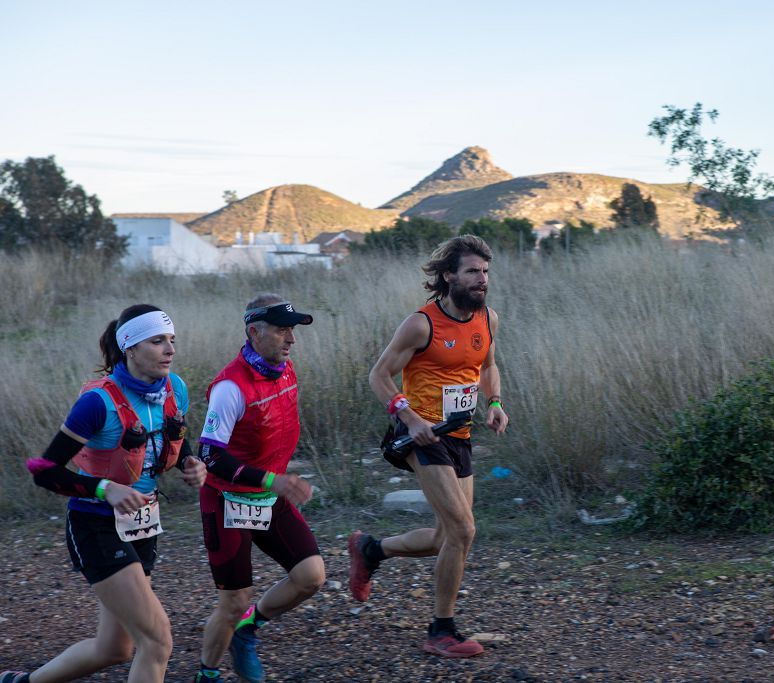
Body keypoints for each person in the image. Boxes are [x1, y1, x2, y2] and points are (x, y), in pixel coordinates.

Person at [1, 304, 206, 683]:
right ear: (129, 347)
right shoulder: (98, 403)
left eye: (172, 340)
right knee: (157, 641)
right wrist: (103, 488)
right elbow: (44, 472)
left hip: (141, 525)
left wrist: (191, 462)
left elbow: (171, 435)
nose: (170, 350)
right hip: (95, 526)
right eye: (157, 341)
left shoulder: (175, 388)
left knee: (114, 648)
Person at [349, 235, 509, 658]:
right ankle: (441, 630)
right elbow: (379, 375)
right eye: (473, 271)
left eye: (486, 272)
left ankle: (371, 549)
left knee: (445, 538)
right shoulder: (421, 324)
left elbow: (488, 366)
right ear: (448, 275)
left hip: (459, 436)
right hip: (421, 436)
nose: (482, 279)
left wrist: (494, 403)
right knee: (463, 529)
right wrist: (410, 416)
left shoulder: (487, 319)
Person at [193, 294, 324, 683]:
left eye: (293, 330)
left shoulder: (285, 369)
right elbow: (210, 456)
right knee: (233, 602)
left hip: (270, 496)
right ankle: (208, 673)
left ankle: (247, 632)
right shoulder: (230, 387)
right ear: (254, 331)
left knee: (311, 576)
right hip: (227, 500)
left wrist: (275, 482)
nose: (291, 339)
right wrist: (274, 480)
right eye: (283, 330)